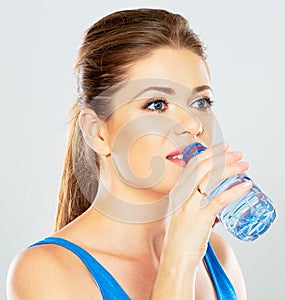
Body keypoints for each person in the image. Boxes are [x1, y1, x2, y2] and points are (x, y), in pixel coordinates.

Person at [7, 8, 251, 299]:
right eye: (157, 104)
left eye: (200, 102)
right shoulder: (45, 271)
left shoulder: (217, 256)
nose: (192, 124)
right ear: (98, 132)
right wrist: (178, 262)